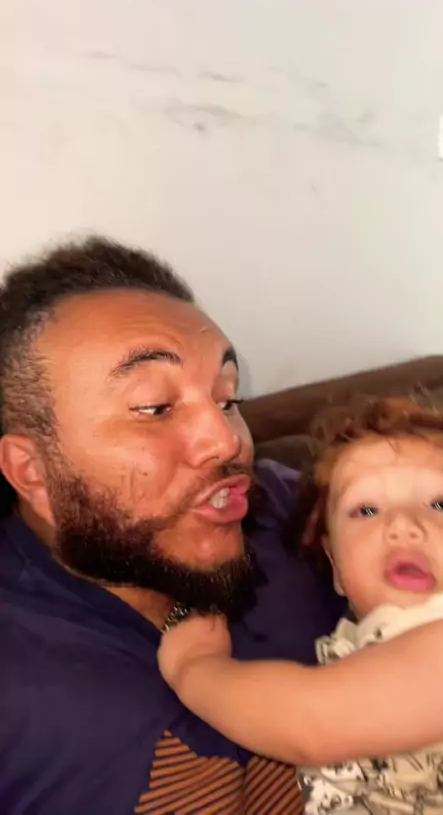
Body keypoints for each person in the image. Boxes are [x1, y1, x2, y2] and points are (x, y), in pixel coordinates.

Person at [0, 234, 343, 815]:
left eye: (227, 399)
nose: (227, 441)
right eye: (155, 408)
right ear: (33, 473)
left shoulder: (293, 511)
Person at [159, 397, 443, 815]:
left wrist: (195, 668)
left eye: (442, 504)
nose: (402, 525)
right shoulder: (362, 644)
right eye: (366, 510)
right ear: (336, 568)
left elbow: (311, 722)